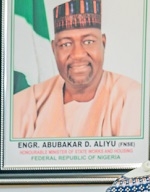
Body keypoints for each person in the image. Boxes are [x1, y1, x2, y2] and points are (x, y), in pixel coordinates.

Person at [12, 0, 141, 139]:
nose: (77, 54)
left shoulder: (131, 98)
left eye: (88, 42)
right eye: (66, 44)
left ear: (103, 43)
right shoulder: (25, 103)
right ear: (53, 49)